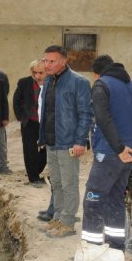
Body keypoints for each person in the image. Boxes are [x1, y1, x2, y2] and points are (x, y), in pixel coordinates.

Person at [80, 55, 132, 251]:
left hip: (110, 153)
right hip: (130, 155)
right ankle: (116, 248)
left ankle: (92, 251)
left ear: (97, 74)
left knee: (93, 202)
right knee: (115, 200)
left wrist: (119, 148)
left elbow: (103, 118)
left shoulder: (102, 85)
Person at [38, 45, 93, 238]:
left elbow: (86, 113)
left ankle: (68, 223)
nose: (47, 64)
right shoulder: (49, 81)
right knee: (57, 183)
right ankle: (58, 218)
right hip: (52, 142)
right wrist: (42, 137)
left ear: (64, 61)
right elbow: (46, 112)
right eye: (45, 60)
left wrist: (81, 141)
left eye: (52, 61)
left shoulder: (79, 82)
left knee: (69, 184)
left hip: (69, 143)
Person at [13, 59, 47, 185]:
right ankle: (34, 178)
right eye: (35, 73)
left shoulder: (52, 83)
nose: (37, 76)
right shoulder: (24, 83)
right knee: (30, 150)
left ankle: (35, 172)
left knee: (48, 150)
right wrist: (21, 118)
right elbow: (16, 101)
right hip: (30, 122)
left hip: (46, 123)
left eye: (41, 73)